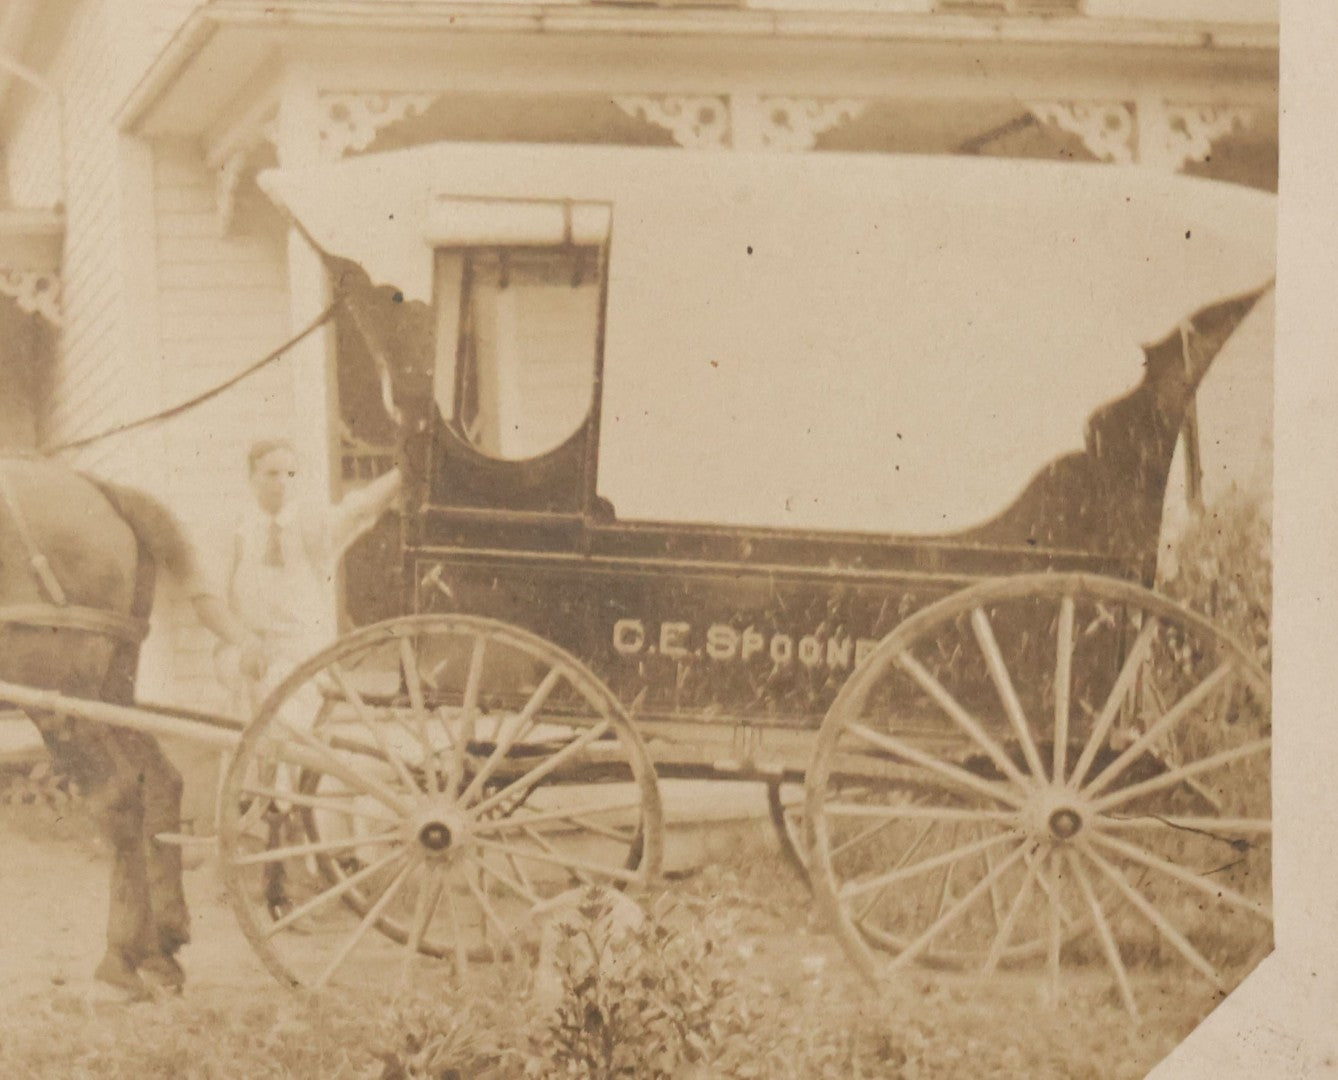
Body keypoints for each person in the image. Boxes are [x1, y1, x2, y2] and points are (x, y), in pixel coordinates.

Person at [214, 438, 401, 715]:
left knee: (286, 715)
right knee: (244, 703)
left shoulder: (311, 526)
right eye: (271, 474)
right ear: (252, 478)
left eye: (290, 474)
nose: (282, 482)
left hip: (301, 658)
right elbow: (216, 602)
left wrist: (402, 474)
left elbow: (360, 509)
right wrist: (243, 643)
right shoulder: (238, 533)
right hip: (250, 655)